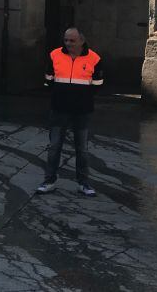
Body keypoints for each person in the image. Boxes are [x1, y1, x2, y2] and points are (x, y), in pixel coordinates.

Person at [36, 27, 104, 197]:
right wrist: (60, 95)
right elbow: (48, 79)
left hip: (82, 111)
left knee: (82, 148)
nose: (68, 44)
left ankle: (84, 183)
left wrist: (82, 97)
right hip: (59, 109)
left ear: (81, 41)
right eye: (66, 40)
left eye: (72, 41)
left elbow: (98, 84)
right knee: (54, 147)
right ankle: (49, 181)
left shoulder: (94, 58)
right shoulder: (55, 55)